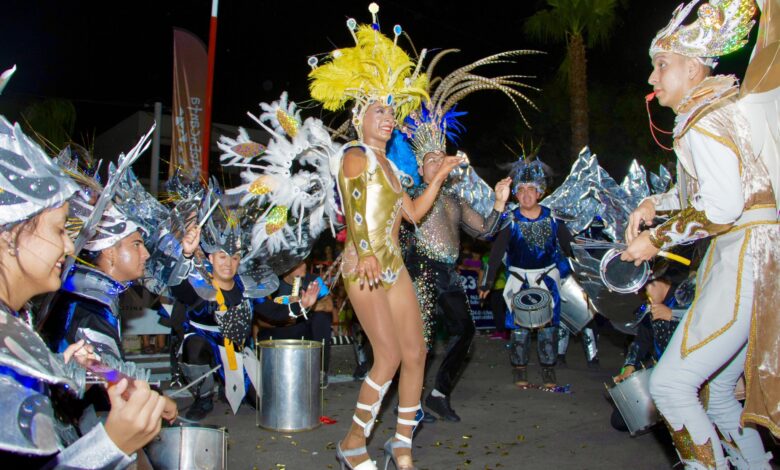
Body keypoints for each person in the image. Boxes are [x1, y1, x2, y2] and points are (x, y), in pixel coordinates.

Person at [622, 1, 778, 467]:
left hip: (744, 257)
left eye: (662, 65)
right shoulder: (717, 109)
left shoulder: (702, 117)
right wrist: (654, 204)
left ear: (692, 69)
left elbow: (723, 206)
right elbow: (709, 189)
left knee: (670, 387)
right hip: (750, 256)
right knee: (719, 396)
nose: (652, 77)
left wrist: (655, 239)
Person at [308, 6, 464, 468]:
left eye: (393, 111)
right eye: (380, 110)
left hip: (392, 264)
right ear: (360, 116)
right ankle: (353, 442)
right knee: (389, 355)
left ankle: (402, 443)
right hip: (364, 265)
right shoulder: (354, 156)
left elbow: (412, 214)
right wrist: (366, 252)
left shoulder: (393, 169)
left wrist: (440, 176)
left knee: (416, 353)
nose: (389, 118)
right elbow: (356, 206)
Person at [0, 115, 173, 468]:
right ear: (10, 237)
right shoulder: (86, 305)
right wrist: (112, 445)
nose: (70, 247)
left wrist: (74, 369)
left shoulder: (17, 319)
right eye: (59, 230)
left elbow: (91, 369)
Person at [405, 151, 510, 422]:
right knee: (421, 341)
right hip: (419, 269)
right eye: (431, 160)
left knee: (465, 330)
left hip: (448, 274)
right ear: (419, 169)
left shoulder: (455, 198)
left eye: (442, 159)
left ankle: (439, 394)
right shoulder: (410, 194)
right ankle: (409, 405)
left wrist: (499, 202)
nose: (438, 163)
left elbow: (485, 231)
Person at [169, 212, 278, 421]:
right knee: (194, 346)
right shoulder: (200, 284)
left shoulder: (246, 287)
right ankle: (203, 397)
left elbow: (273, 311)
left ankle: (228, 387)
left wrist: (302, 304)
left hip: (236, 349)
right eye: (222, 256)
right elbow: (179, 289)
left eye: (234, 257)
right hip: (203, 342)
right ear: (211, 258)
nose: (228, 263)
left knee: (263, 404)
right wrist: (187, 255)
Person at [480, 157, 573, 389]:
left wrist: (584, 274)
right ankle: (519, 369)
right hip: (518, 280)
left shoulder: (554, 218)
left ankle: (548, 370)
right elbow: (496, 253)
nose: (526, 194)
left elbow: (570, 248)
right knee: (518, 327)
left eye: (531, 189)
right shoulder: (509, 220)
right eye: (521, 190)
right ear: (515, 195)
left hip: (547, 280)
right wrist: (487, 282)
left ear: (540, 193)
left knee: (548, 327)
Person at [253, 260, 333, 387]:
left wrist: (303, 306)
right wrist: (285, 314)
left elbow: (328, 305)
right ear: (286, 267)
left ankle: (320, 369)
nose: (304, 265)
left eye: (304, 261)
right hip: (277, 328)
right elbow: (259, 319)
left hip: (304, 328)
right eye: (298, 263)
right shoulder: (271, 282)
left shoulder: (313, 280)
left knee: (322, 318)